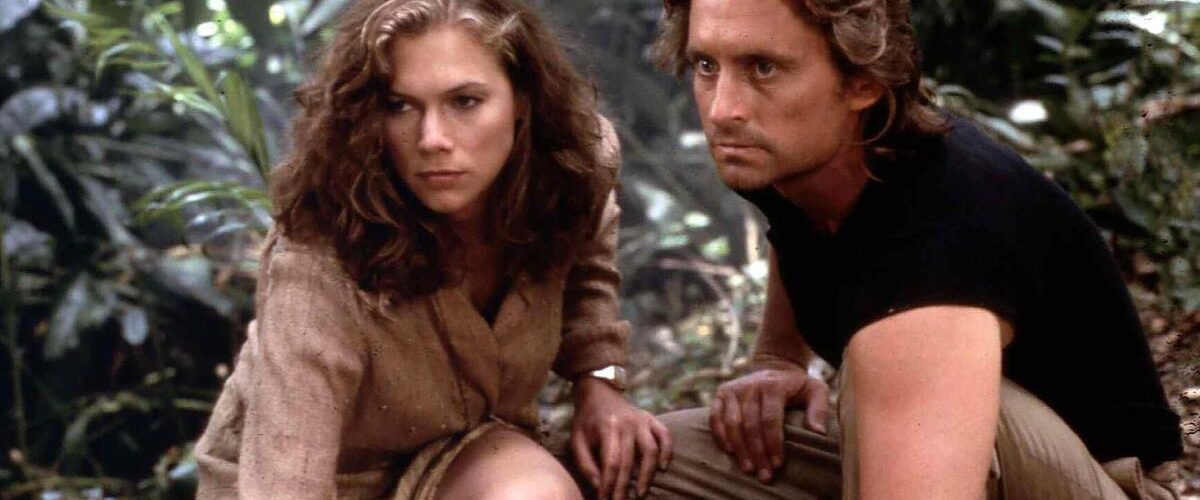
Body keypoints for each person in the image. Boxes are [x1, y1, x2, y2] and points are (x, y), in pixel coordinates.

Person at [645, 0, 1183, 498]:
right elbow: (797, 228)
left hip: (1097, 482)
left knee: (884, 362)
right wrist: (778, 358)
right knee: (642, 464)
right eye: (707, 66)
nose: (723, 109)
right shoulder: (789, 153)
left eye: (764, 68)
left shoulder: (937, 243)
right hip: (937, 449)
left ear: (862, 81)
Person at [193, 1, 671, 498]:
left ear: (522, 98)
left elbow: (585, 268)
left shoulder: (572, 169)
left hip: (461, 460)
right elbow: (287, 478)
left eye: (464, 101)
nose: (432, 139)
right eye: (399, 106)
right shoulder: (320, 256)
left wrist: (598, 381)